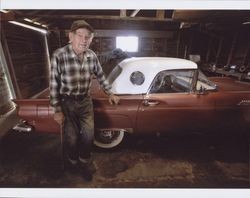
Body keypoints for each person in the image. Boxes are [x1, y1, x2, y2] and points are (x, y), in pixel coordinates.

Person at [49, 20, 120, 181]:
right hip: (67, 102)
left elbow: (101, 76)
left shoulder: (91, 55)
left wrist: (110, 93)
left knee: (88, 135)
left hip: (85, 101)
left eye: (87, 36)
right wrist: (57, 110)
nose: (84, 39)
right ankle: (72, 161)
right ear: (70, 36)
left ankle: (83, 161)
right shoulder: (59, 55)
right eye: (80, 35)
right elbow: (53, 84)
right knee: (72, 137)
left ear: (91, 38)